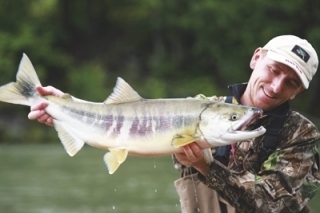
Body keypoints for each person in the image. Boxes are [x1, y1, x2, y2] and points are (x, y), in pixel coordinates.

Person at [28, 35, 320, 213]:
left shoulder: (303, 135)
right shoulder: (200, 104)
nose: (276, 85)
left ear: (299, 91)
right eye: (274, 69)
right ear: (257, 58)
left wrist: (206, 166)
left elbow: (271, 206)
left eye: (291, 82)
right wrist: (64, 104)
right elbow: (119, 116)